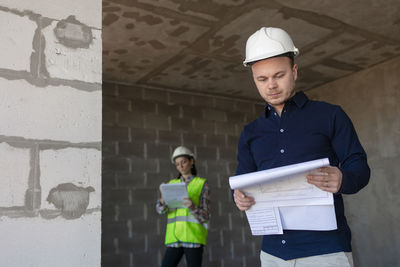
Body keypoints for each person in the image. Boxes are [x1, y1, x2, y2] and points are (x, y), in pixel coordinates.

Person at [233, 27, 370, 267]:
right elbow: (242, 181)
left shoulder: (330, 115)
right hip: (273, 254)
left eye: (279, 75)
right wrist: (238, 197)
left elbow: (359, 167)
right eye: (262, 79)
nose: (271, 85)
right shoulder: (250, 133)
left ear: (294, 72)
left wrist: (343, 178)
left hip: (326, 252)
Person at [156, 146, 210, 267]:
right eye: (177, 164)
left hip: (193, 238)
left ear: (192, 161)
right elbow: (160, 210)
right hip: (174, 239)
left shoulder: (201, 184)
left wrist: (192, 207)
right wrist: (163, 199)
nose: (180, 166)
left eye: (183, 162)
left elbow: (205, 216)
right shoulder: (170, 184)